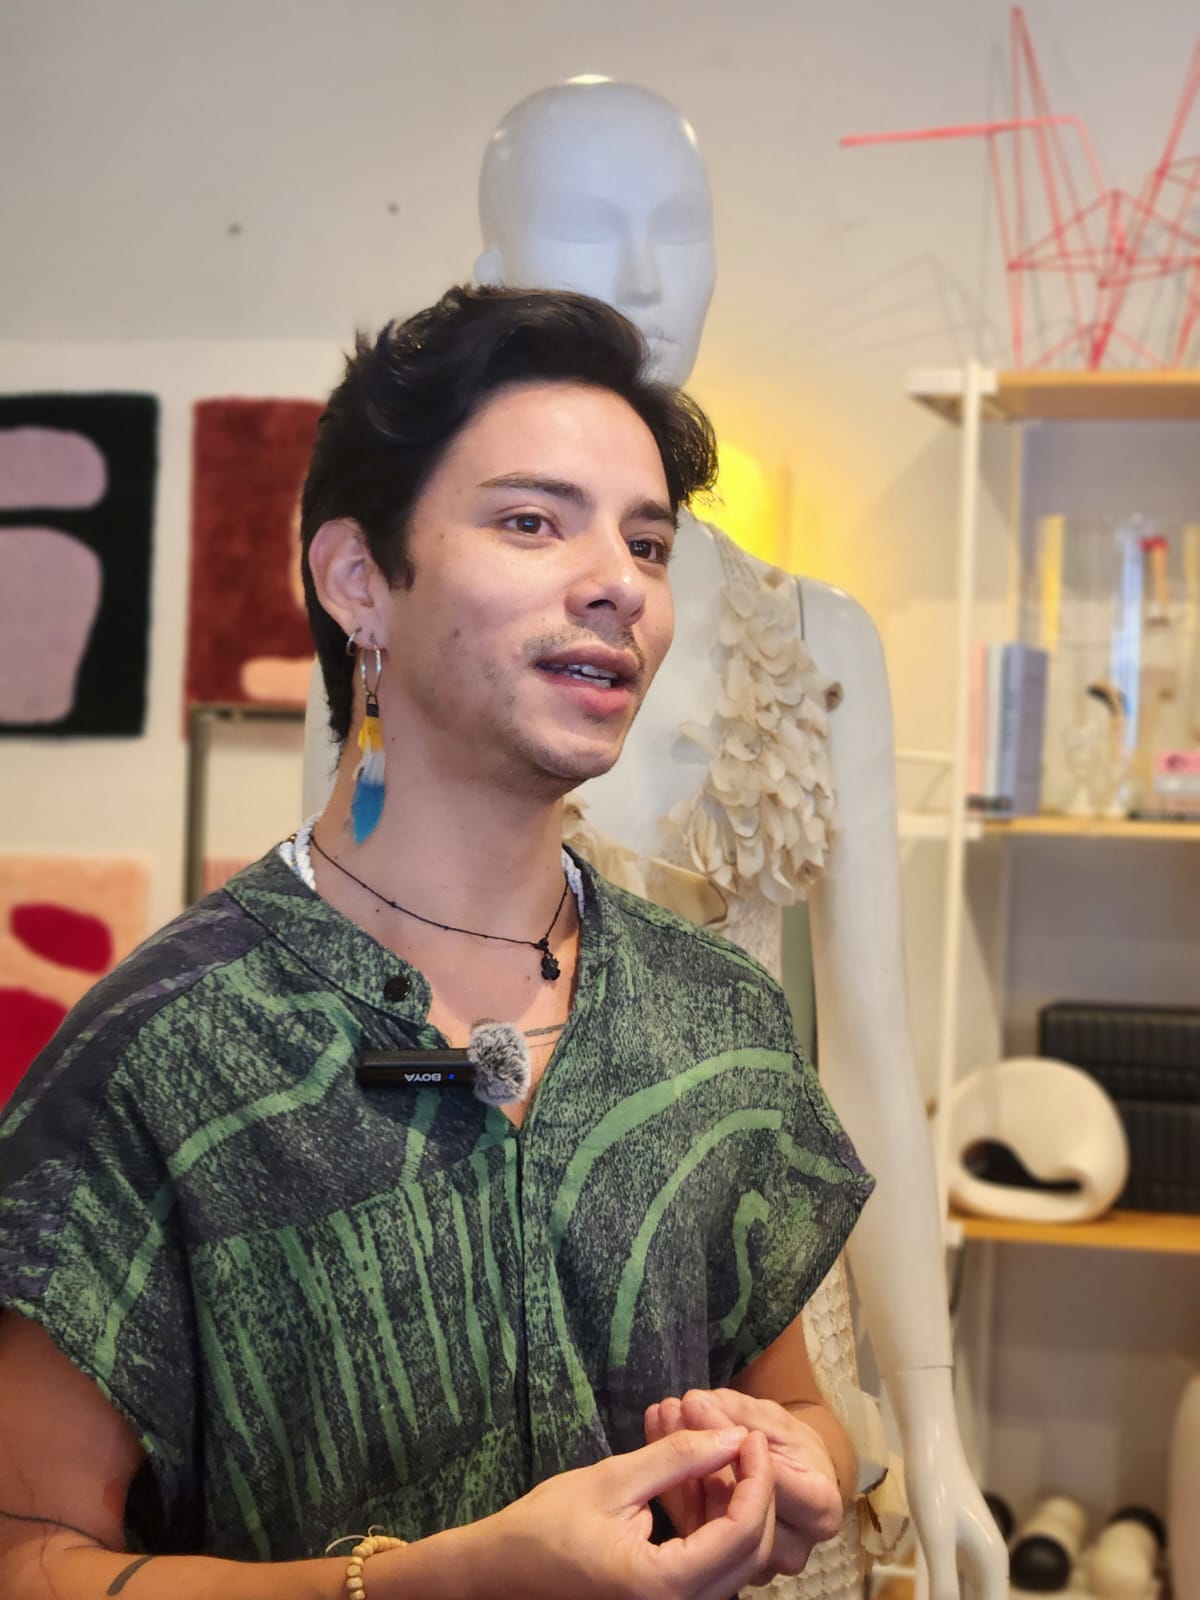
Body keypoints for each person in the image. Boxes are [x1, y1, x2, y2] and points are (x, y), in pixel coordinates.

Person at [0, 285, 876, 1600]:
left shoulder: (714, 1018)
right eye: (532, 521)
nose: (617, 585)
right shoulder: (164, 1055)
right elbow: (28, 1558)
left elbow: (797, 1404)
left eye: (646, 544)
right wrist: (440, 1579)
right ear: (359, 579)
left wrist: (797, 1465)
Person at [468, 79, 1007, 1600]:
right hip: (488, 1300)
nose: (646, 278)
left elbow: (870, 1064)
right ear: (493, 264)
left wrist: (932, 1423)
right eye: (592, 225)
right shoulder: (416, 627)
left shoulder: (816, 642)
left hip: (766, 1348)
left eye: (681, 228)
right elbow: (338, 984)